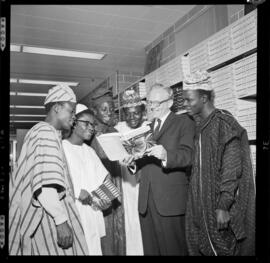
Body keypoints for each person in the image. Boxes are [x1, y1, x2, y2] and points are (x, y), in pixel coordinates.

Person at [9, 84, 89, 255]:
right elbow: (46, 184)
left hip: (42, 217)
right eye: (72, 111)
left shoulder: (37, 131)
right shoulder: (46, 133)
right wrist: (61, 220)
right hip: (46, 219)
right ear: (57, 108)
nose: (74, 117)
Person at [183, 70, 255, 256]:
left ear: (204, 98)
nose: (185, 104)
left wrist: (223, 205)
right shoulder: (201, 127)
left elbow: (232, 169)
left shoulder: (223, 123)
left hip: (218, 208)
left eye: (189, 100)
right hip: (200, 206)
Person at [123, 83, 196, 255]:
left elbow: (188, 155)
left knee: (173, 250)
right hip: (146, 202)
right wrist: (130, 163)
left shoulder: (183, 122)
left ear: (170, 103)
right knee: (151, 250)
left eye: (156, 103)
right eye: (149, 102)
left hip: (170, 203)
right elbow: (142, 163)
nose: (151, 106)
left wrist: (166, 155)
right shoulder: (147, 128)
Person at [62, 103, 112, 255]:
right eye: (86, 123)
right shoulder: (62, 148)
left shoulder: (90, 151)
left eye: (93, 124)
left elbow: (105, 178)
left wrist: (105, 199)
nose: (91, 127)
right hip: (73, 214)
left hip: (92, 213)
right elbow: (55, 180)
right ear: (74, 123)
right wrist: (76, 190)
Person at [89, 92, 126, 255]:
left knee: (118, 230)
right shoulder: (90, 133)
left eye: (111, 109)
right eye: (104, 109)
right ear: (95, 111)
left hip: (117, 183)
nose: (109, 112)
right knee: (105, 231)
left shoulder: (114, 130)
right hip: (101, 187)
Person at [114, 89, 146, 255]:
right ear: (123, 113)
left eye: (136, 113)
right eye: (128, 114)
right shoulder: (117, 130)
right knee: (130, 223)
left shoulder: (150, 128)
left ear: (143, 112)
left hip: (145, 182)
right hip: (126, 183)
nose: (132, 117)